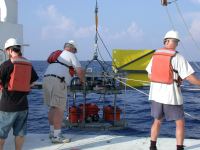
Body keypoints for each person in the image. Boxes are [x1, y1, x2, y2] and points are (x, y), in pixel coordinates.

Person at [146, 30, 200, 150]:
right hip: (171, 96)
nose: (176, 44)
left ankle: (152, 147)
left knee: (157, 121)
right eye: (175, 41)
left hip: (156, 95)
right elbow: (189, 77)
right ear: (170, 42)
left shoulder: (155, 56)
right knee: (180, 122)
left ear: (165, 41)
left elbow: (150, 76)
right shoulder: (178, 57)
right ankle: (179, 148)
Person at [43, 40, 85, 143]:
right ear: (72, 48)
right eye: (75, 50)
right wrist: (83, 81)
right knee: (59, 109)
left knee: (53, 107)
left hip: (46, 79)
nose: (75, 53)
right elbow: (79, 71)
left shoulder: (59, 56)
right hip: (58, 81)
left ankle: (52, 133)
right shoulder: (70, 54)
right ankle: (57, 136)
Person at [0, 38, 38, 150]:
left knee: (1, 134)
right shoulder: (28, 64)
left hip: (7, 106)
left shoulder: (6, 64)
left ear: (10, 50)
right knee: (20, 133)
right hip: (23, 106)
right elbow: (32, 82)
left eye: (6, 51)